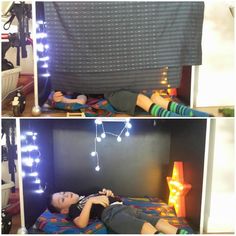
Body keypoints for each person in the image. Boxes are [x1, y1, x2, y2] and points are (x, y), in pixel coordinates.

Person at [47, 188, 190, 234]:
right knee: (145, 227)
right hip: (111, 214)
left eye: (63, 192)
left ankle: (182, 234)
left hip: (123, 207)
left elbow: (106, 195)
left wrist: (108, 193)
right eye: (62, 199)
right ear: (64, 209)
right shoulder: (74, 209)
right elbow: (81, 224)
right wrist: (91, 202)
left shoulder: (87, 193)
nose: (66, 195)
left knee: (158, 221)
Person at [52, 90, 210, 117]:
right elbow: (80, 101)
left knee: (156, 97)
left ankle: (191, 113)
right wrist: (64, 100)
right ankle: (176, 116)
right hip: (112, 95)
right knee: (142, 99)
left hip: (120, 86)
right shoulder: (78, 90)